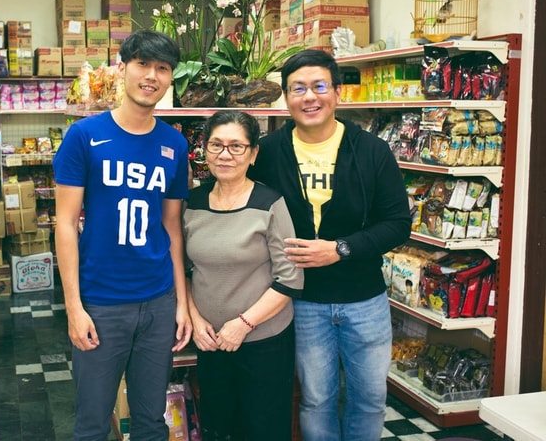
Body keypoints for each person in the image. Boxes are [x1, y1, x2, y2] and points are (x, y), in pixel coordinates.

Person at [249, 49, 411, 441]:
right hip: (302, 301)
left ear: (337, 92)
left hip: (364, 299)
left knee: (369, 400)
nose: (310, 97)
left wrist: (340, 249)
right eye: (298, 88)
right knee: (317, 399)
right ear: (285, 97)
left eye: (319, 86)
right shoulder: (268, 153)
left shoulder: (371, 150)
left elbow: (397, 225)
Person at [53, 29, 192, 441]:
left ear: (170, 78)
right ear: (123, 68)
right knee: (92, 425)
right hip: (101, 304)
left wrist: (182, 303)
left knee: (151, 422)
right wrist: (74, 308)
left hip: (158, 302)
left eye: (162, 68)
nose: (151, 76)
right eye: (142, 64)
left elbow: (172, 228)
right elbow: (65, 224)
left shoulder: (174, 144)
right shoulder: (84, 136)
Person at [183, 111, 304, 440]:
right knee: (218, 428)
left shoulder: (270, 203)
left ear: (253, 154)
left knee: (263, 429)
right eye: (216, 145)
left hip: (264, 342)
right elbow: (185, 270)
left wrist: (243, 324)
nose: (225, 154)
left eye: (236, 146)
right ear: (204, 150)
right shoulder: (192, 204)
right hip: (211, 340)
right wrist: (196, 319)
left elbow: (290, 279)